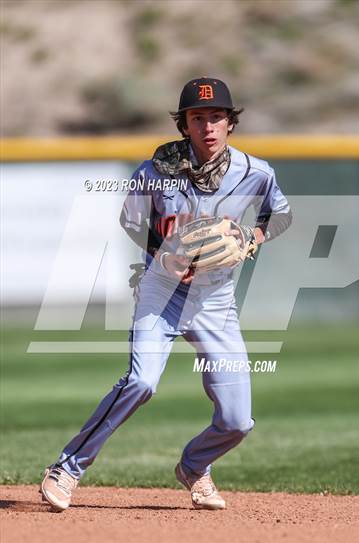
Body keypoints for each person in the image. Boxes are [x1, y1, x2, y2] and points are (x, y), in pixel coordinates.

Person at [40, 77, 292, 511]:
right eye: (198, 118)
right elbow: (131, 221)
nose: (208, 126)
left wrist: (252, 238)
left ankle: (195, 466)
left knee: (237, 421)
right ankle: (66, 468)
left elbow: (280, 215)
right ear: (184, 125)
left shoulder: (256, 172)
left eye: (217, 117)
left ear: (230, 122)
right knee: (141, 382)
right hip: (162, 290)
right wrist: (163, 254)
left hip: (215, 300)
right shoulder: (156, 171)